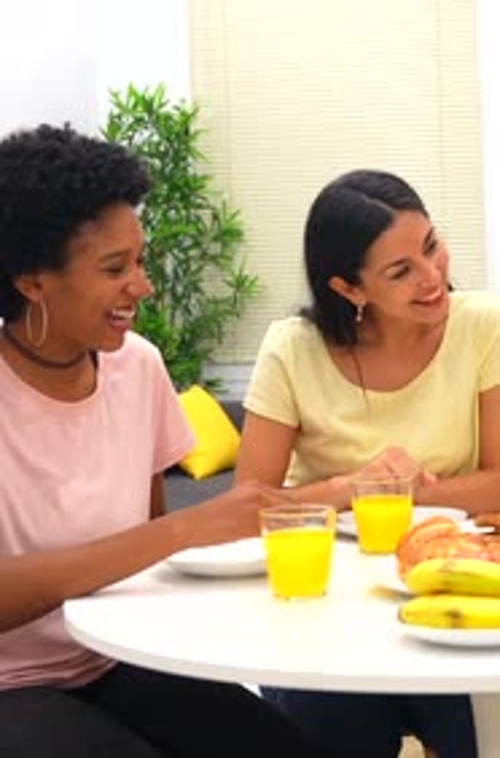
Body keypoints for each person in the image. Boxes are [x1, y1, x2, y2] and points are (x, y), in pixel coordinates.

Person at [0, 123, 329, 758]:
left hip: (116, 657)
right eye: (114, 268)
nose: (142, 286)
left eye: (141, 260)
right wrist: (188, 528)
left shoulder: (138, 366)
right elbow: (159, 535)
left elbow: (142, 550)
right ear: (32, 280)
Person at [236, 169, 500, 758]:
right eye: (401, 271)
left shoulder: (485, 325)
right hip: (326, 602)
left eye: (431, 245)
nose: (433, 277)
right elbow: (246, 503)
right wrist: (352, 487)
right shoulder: (291, 349)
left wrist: (410, 497)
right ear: (349, 289)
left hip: (451, 583)